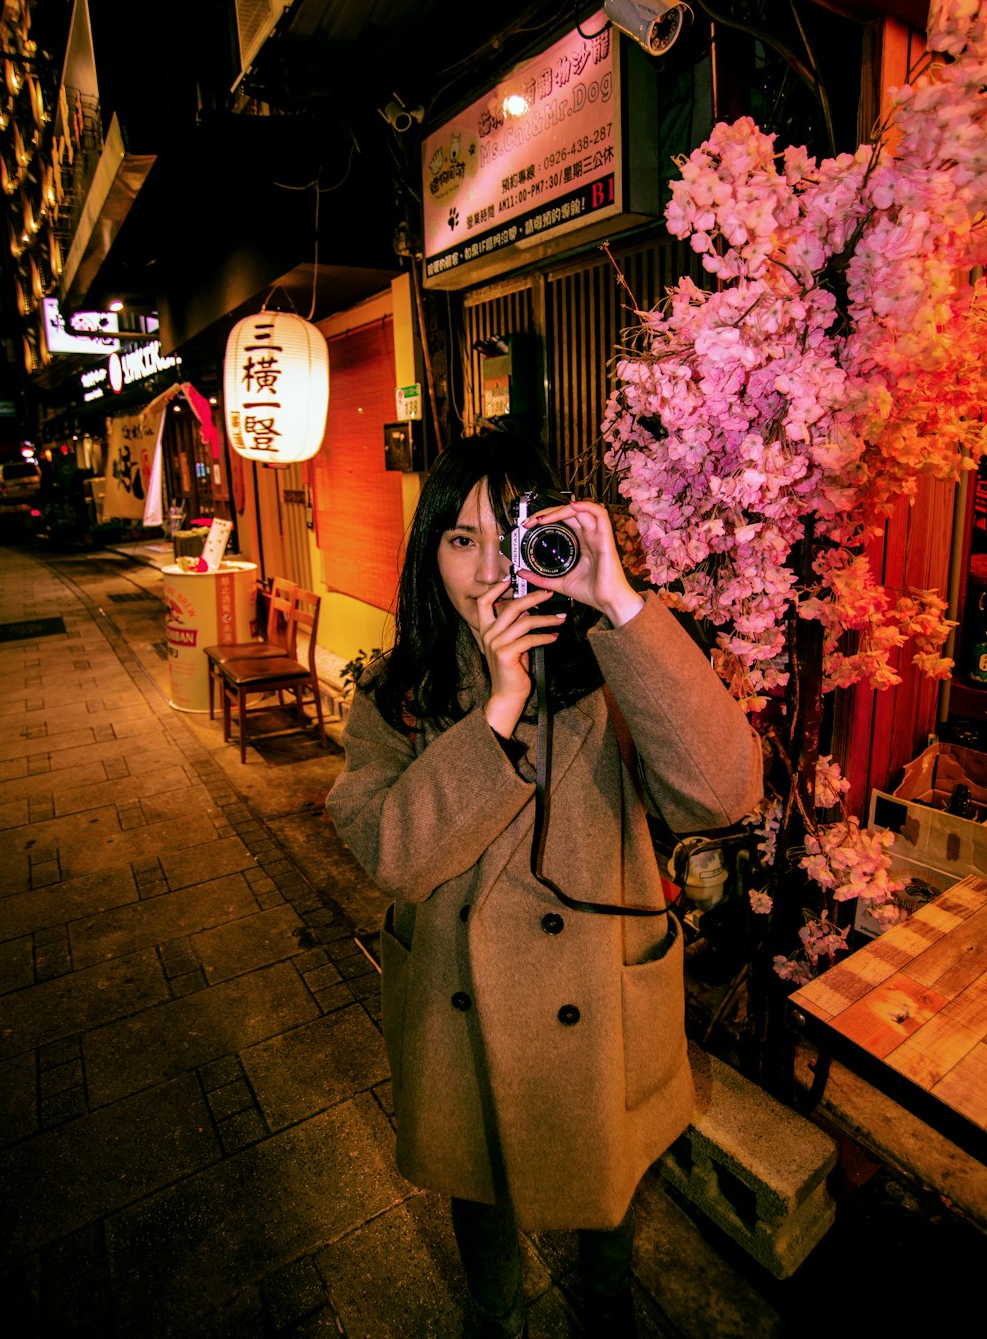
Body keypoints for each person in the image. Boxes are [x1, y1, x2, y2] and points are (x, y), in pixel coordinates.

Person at [326, 431, 762, 1338]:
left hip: (597, 1012)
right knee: (482, 1224)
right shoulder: (398, 694)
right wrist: (496, 706)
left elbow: (723, 792)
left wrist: (619, 601)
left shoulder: (612, 667)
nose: (489, 569)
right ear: (426, 553)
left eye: (512, 534)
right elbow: (392, 855)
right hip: (460, 1022)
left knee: (607, 1233)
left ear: (553, 538)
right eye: (459, 539)